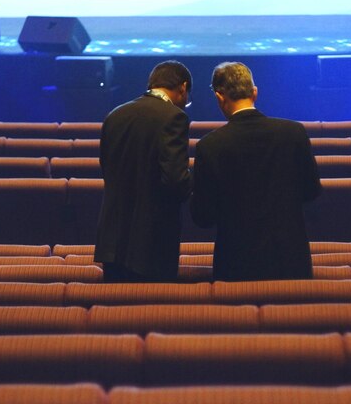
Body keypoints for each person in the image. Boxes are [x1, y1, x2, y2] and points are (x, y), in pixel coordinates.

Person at [190, 62, 321, 281]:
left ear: (220, 97)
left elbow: (203, 216)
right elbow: (311, 192)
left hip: (236, 263)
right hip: (290, 259)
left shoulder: (209, 145)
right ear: (255, 93)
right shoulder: (294, 133)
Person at [94, 60, 193, 282]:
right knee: (153, 313)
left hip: (112, 240)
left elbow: (106, 168)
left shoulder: (114, 115)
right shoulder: (174, 117)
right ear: (183, 87)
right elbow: (176, 180)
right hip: (152, 242)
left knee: (115, 311)